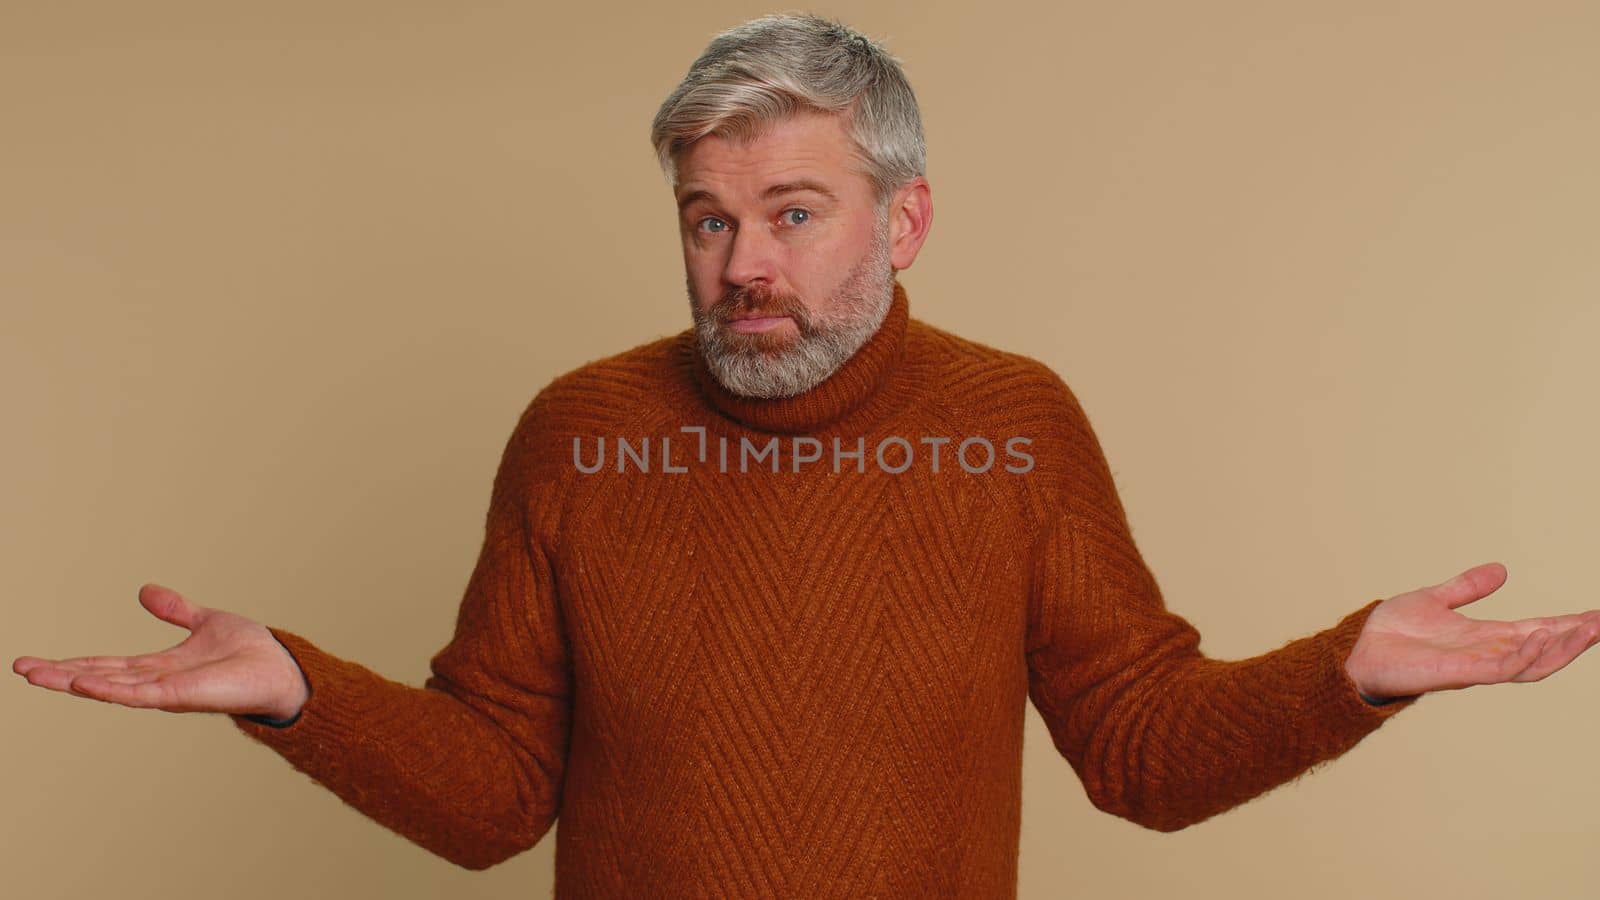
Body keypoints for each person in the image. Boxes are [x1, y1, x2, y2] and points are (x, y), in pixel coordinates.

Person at [13, 12, 1600, 899]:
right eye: (708, 219)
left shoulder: (1013, 430)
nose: (741, 264)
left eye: (791, 213)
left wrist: (1354, 671)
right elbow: (497, 793)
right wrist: (297, 689)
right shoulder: (583, 431)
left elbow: (1141, 751)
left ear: (902, 219)